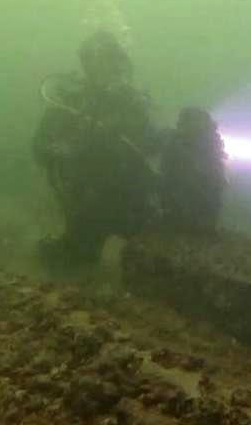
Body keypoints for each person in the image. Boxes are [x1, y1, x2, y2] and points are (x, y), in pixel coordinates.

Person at [33, 31, 158, 270]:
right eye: (93, 61)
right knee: (71, 269)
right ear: (85, 65)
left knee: (154, 265)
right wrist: (58, 151)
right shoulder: (70, 103)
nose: (102, 68)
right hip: (86, 207)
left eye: (109, 61)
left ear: (119, 63)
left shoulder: (133, 104)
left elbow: (152, 146)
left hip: (132, 204)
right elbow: (39, 147)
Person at [159, 107, 227, 234]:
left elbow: (215, 184)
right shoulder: (175, 145)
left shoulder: (177, 144)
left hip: (192, 216)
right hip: (183, 216)